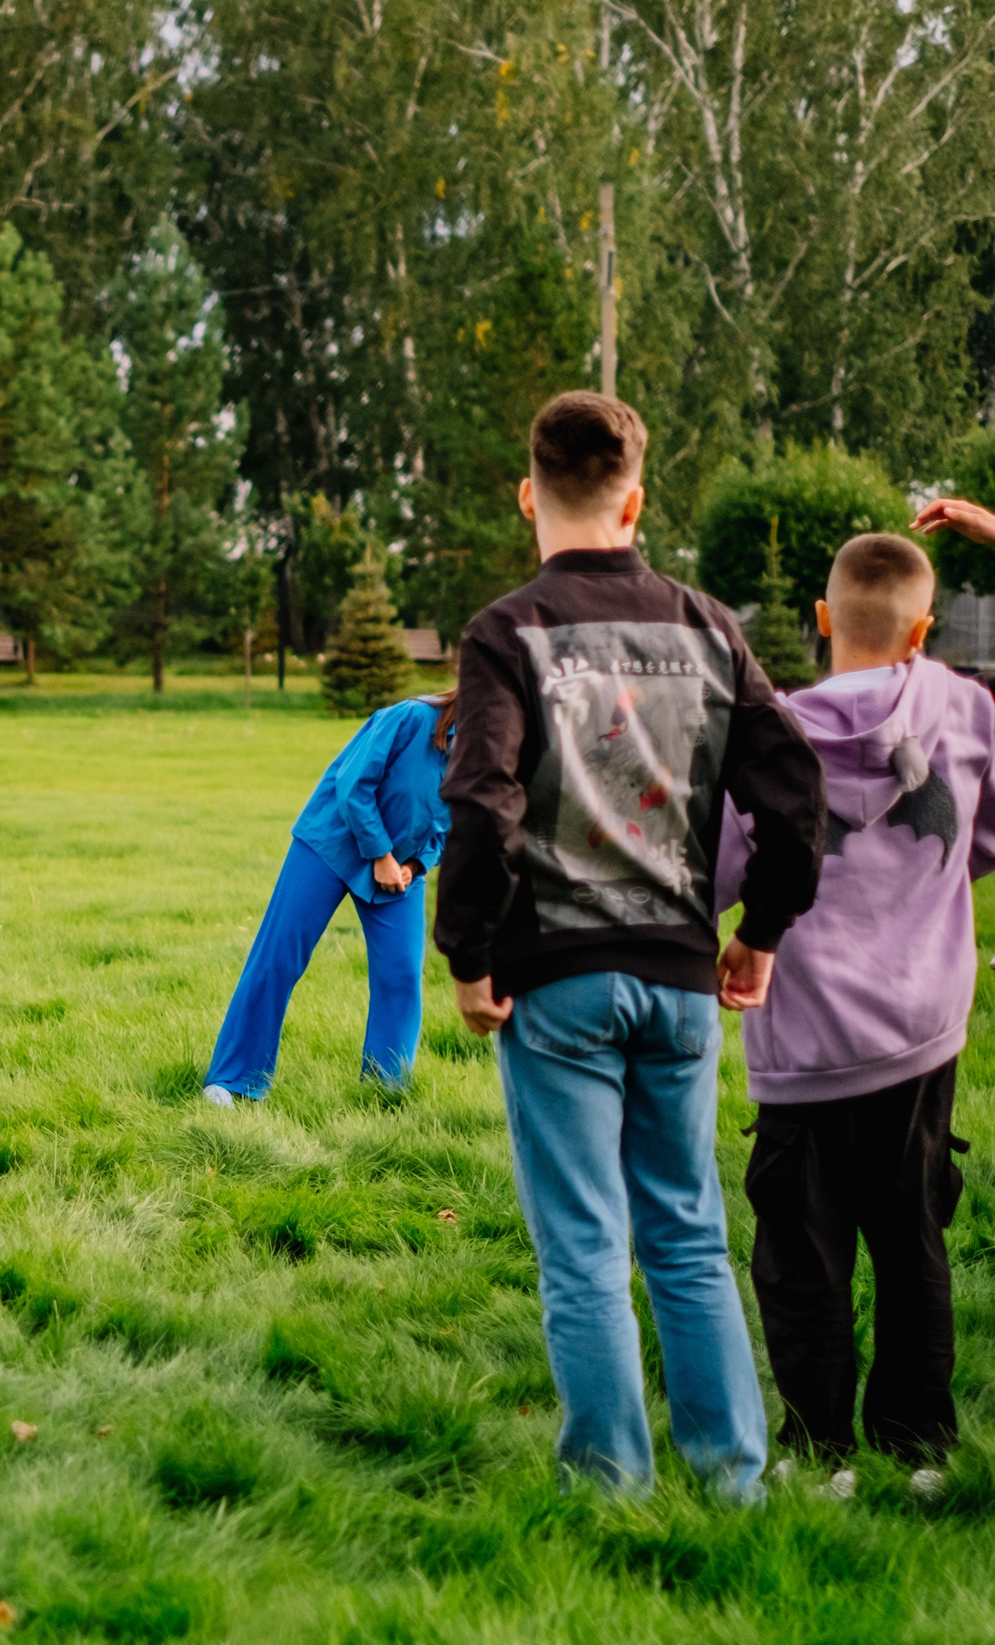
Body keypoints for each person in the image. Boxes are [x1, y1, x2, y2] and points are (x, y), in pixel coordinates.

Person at [436, 391, 824, 1500]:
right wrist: (762, 935)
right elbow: (794, 792)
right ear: (636, 498)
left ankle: (609, 1488)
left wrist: (466, 956)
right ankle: (732, 1482)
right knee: (690, 1235)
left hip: (554, 982)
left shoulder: (506, 631)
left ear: (528, 493)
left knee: (584, 1250)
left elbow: (481, 800)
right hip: (678, 975)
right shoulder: (706, 625)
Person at [718, 529, 995, 1490]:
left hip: (805, 1045)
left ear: (824, 618)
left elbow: (718, 872)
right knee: (912, 1231)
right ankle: (919, 1447)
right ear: (924, 628)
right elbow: (982, 838)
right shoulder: (965, 707)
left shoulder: (772, 734)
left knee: (802, 1251)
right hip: (924, 1033)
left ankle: (817, 1448)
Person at [202, 689, 458, 1106]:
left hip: (401, 868)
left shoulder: (492, 756)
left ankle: (384, 1093)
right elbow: (354, 782)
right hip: (332, 843)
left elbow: (457, 824)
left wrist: (416, 864)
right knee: (279, 957)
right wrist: (378, 852)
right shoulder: (412, 717)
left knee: (401, 975)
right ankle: (233, 1081)